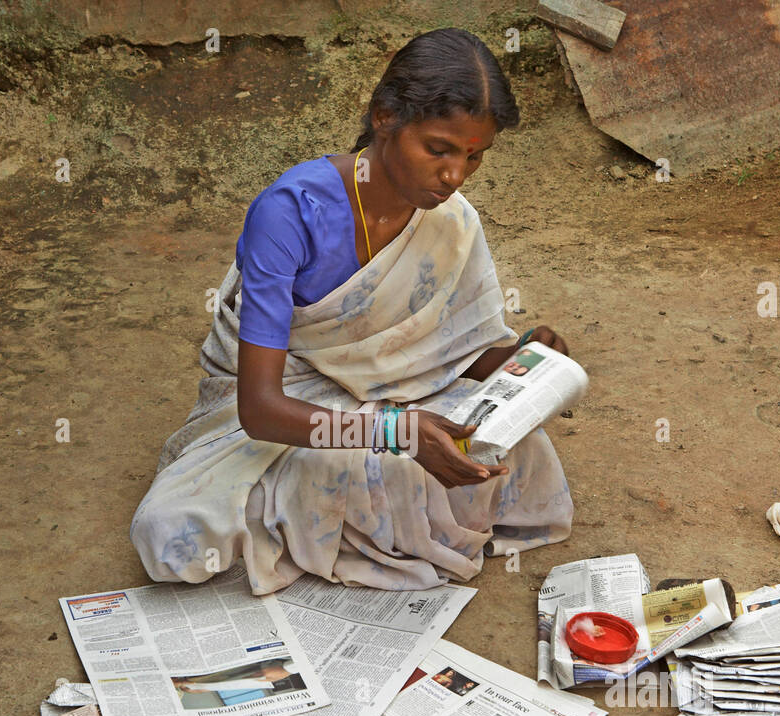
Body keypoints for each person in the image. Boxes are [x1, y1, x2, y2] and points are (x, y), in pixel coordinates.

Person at [130, 28, 574, 596]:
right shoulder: (289, 214)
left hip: (398, 396)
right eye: (438, 149)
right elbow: (262, 411)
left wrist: (526, 359)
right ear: (385, 116)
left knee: (515, 446)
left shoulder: (453, 220)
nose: (455, 176)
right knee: (174, 537)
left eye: (474, 156)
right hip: (284, 402)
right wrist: (394, 432)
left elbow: (453, 354)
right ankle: (350, 514)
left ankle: (331, 519)